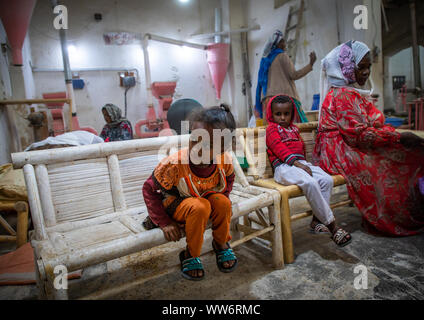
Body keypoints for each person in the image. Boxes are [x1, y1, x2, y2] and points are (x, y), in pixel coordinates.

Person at [313, 40, 424, 236]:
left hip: (348, 143)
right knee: (380, 165)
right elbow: (360, 135)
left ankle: (404, 208)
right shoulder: (342, 95)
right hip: (337, 151)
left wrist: (396, 135)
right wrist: (397, 138)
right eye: (360, 67)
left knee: (403, 152)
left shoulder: (353, 94)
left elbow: (372, 124)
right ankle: (392, 216)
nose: (366, 72)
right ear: (347, 68)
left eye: (368, 67)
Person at [142, 105, 237, 281]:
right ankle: (191, 255)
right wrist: (165, 223)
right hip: (176, 202)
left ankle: (221, 243)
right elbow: (149, 190)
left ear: (222, 148)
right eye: (195, 138)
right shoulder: (175, 164)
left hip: (203, 197)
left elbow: (229, 178)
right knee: (200, 207)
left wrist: (222, 198)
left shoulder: (224, 160)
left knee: (223, 202)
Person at [266, 94, 351, 246]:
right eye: (278, 114)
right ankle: (333, 226)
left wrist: (304, 164)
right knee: (310, 183)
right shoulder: (272, 129)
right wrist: (298, 164)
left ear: (292, 114)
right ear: (271, 114)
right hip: (283, 168)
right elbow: (278, 148)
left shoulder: (294, 129)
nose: (283, 117)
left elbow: (301, 149)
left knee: (326, 180)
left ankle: (316, 222)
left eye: (287, 113)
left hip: (301, 164)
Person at [255, 30, 316, 124]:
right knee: (293, 128)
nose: (284, 44)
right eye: (282, 42)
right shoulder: (282, 56)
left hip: (267, 100)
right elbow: (294, 75)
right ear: (277, 44)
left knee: (271, 129)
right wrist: (310, 65)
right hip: (284, 99)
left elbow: (260, 84)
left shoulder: (265, 60)